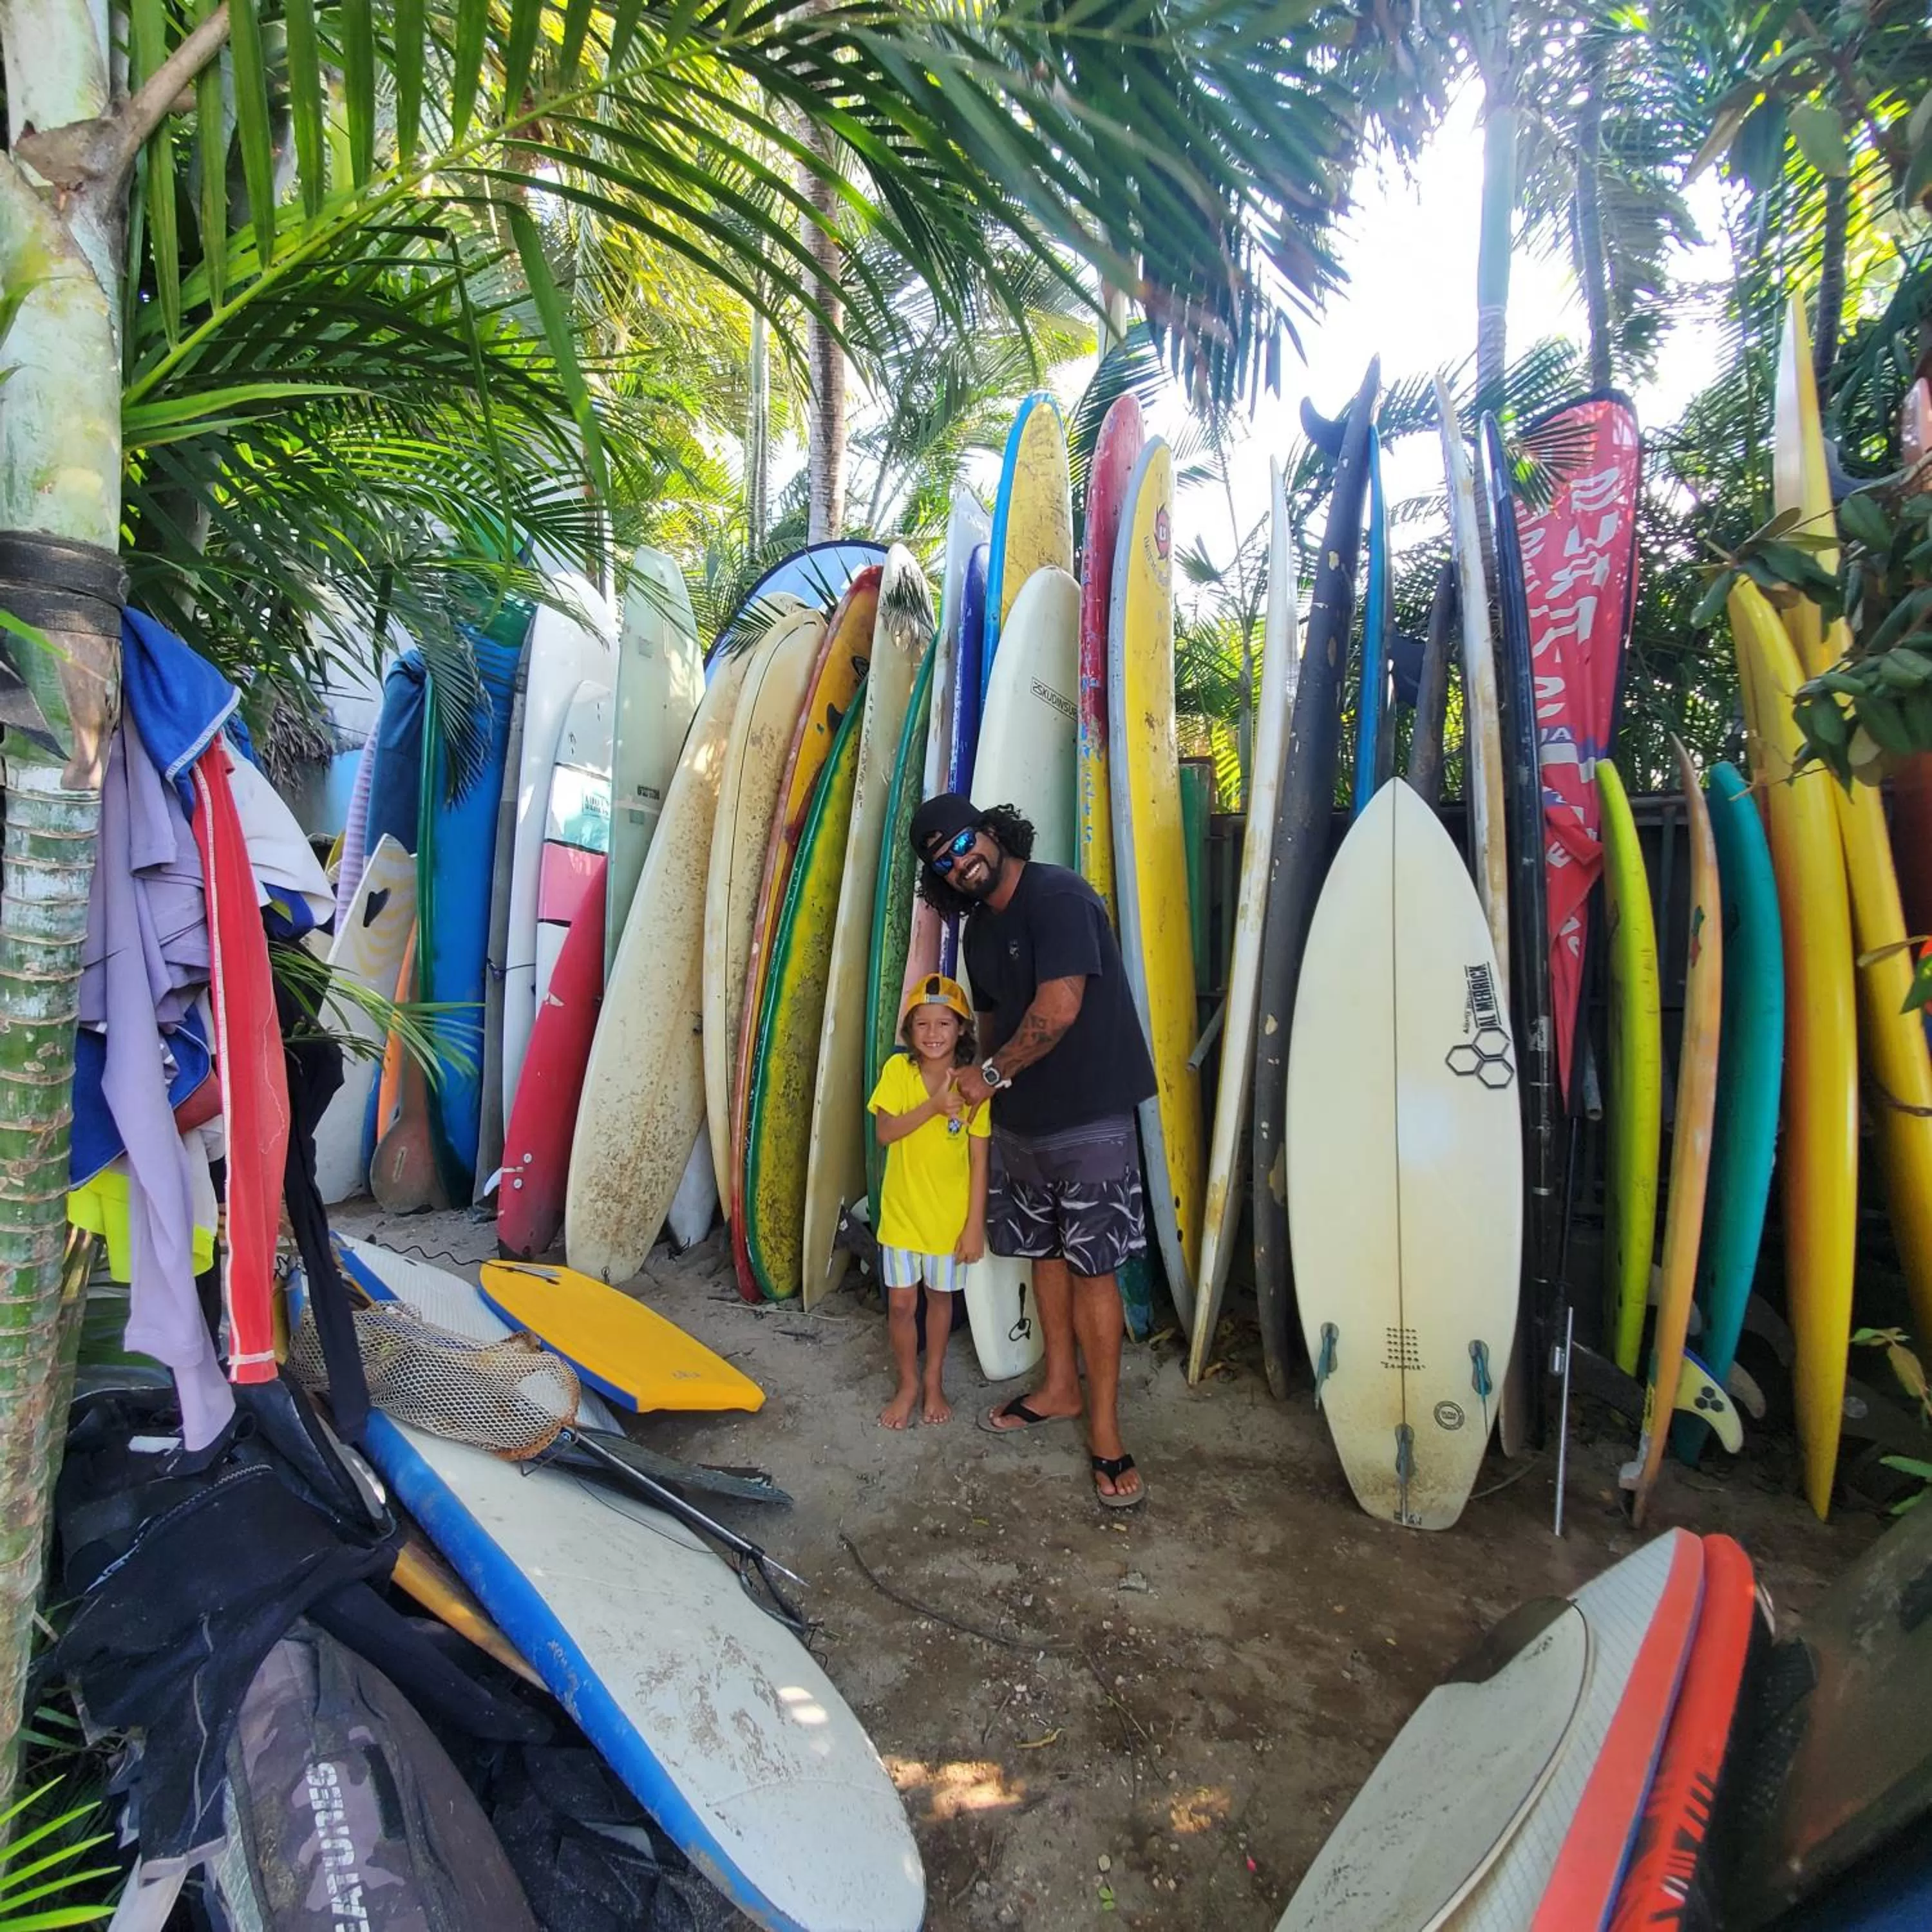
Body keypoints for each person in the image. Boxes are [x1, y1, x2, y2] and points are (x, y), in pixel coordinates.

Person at [909, 792, 1157, 1508]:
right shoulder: (979, 932)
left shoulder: (1059, 896)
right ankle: (1058, 1389)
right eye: (944, 863)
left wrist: (984, 1078)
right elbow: (989, 1025)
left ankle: (1107, 1434)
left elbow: (1057, 1010)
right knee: (1043, 1257)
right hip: (1021, 1122)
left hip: (1088, 1118)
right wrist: (967, 1096)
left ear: (991, 831)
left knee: (1094, 1269)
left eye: (963, 845)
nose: (960, 865)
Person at [869, 973, 990, 1428]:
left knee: (940, 1301)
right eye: (923, 1025)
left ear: (961, 1029)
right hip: (902, 1216)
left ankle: (934, 1379)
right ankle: (908, 1383)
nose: (934, 1034)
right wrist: (934, 1108)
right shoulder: (897, 1073)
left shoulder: (974, 1086)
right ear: (909, 1033)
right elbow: (885, 1133)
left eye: (944, 1024)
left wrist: (974, 1225)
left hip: (948, 1221)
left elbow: (980, 1160)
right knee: (901, 1304)